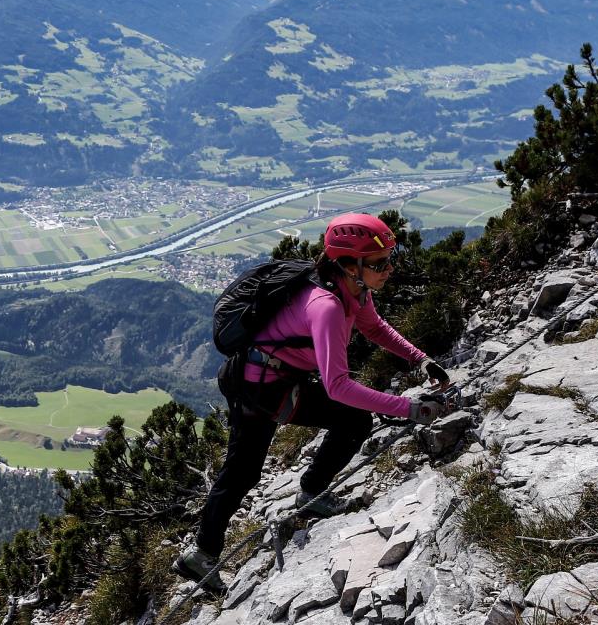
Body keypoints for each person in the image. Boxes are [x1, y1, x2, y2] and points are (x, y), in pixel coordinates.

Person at [173, 213, 449, 593]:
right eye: (379, 263)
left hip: (276, 379)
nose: (389, 269)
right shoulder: (327, 306)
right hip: (260, 389)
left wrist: (420, 359)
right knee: (245, 470)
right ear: (349, 265)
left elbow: (373, 327)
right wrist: (408, 408)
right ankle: (202, 554)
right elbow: (337, 387)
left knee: (340, 427)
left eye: (390, 259)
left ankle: (308, 494)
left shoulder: (352, 289)